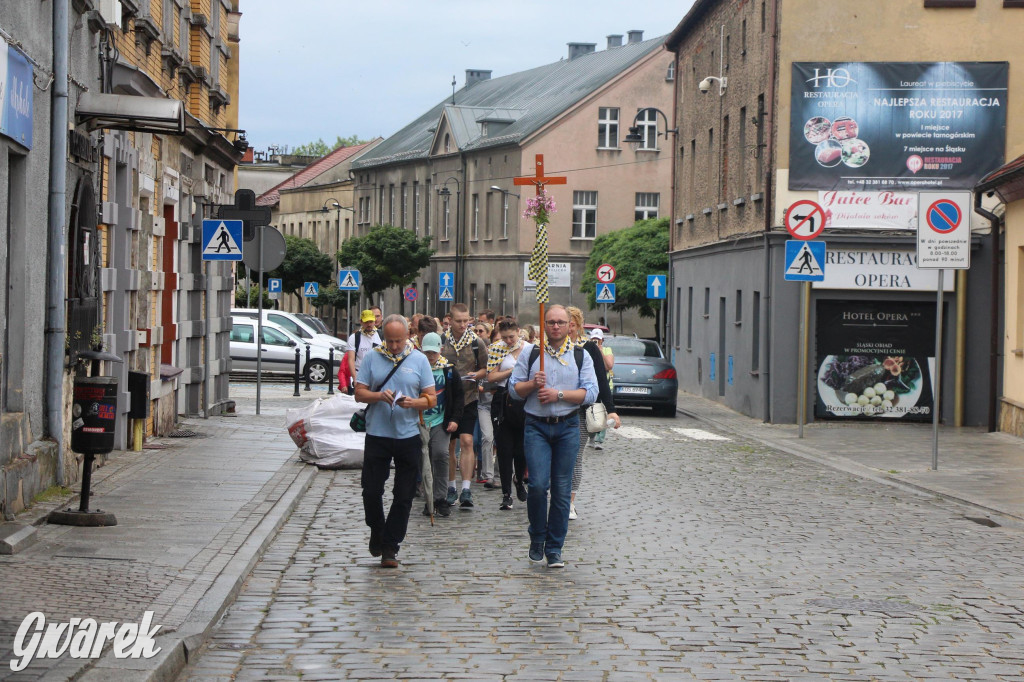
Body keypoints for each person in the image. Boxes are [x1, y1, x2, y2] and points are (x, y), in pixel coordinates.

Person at [509, 304, 597, 568]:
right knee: (537, 485)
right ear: (543, 326)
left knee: (561, 489)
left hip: (568, 426)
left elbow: (591, 393)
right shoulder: (531, 353)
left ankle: (555, 547)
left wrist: (559, 394)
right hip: (536, 425)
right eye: (551, 322)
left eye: (560, 322)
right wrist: (532, 384)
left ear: (570, 325)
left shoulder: (581, 356)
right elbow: (514, 390)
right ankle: (537, 537)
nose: (556, 327)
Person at [355, 315, 436, 568]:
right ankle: (377, 530)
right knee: (371, 490)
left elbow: (431, 398)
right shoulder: (372, 357)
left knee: (404, 495)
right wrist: (379, 395)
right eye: (389, 341)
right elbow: (359, 393)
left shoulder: (419, 359)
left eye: (399, 341)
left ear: (407, 336)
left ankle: (391, 546)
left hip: (408, 435)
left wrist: (414, 402)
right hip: (378, 435)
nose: (394, 346)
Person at [566, 307, 620, 521]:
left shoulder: (588, 348)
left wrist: (612, 410)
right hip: (556, 409)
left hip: (581, 411)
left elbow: (601, 381)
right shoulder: (551, 348)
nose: (567, 328)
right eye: (564, 323)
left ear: (578, 326)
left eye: (571, 324)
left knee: (575, 456)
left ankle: (569, 502)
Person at [441, 302, 489, 508]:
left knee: (468, 441)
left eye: (466, 321)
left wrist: (475, 375)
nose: (463, 325)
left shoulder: (477, 342)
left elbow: (484, 369)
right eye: (459, 321)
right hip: (448, 400)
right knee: (450, 445)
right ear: (450, 321)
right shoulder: (443, 341)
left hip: (469, 397)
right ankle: (451, 487)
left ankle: (466, 489)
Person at [419, 332, 463, 517]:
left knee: (441, 454)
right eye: (427, 352)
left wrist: (454, 419)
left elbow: (459, 397)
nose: (430, 356)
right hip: (421, 421)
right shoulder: (417, 368)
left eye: (434, 353)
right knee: (425, 460)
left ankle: (441, 498)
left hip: (440, 421)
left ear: (441, 351)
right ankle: (428, 499)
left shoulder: (449, 370)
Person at [487, 317, 528, 510]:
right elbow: (491, 376)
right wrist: (512, 371)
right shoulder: (497, 348)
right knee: (504, 449)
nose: (509, 341)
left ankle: (519, 480)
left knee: (521, 450)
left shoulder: (529, 349)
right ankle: (506, 494)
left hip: (523, 399)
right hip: (502, 399)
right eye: (505, 338)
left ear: (518, 331)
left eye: (511, 337)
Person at [472, 322, 496, 487]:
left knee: (500, 440)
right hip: (483, 406)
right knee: (486, 437)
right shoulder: (478, 365)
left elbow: (498, 384)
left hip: (498, 404)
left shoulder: (497, 362)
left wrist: (486, 387)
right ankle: (488, 475)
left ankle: (502, 473)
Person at [588, 328, 615, 450]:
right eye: (594, 339)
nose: (596, 341)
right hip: (592, 385)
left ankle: (600, 439)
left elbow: (609, 366)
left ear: (602, 340)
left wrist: (600, 353)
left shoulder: (606, 350)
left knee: (603, 413)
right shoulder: (587, 349)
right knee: (592, 412)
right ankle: (592, 436)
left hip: (605, 385)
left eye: (598, 340)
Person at [344, 310, 381, 394]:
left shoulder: (381, 336)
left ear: (374, 321)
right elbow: (351, 359)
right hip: (360, 374)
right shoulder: (354, 337)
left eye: (371, 321)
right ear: (361, 322)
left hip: (377, 375)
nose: (369, 324)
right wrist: (355, 378)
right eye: (366, 322)